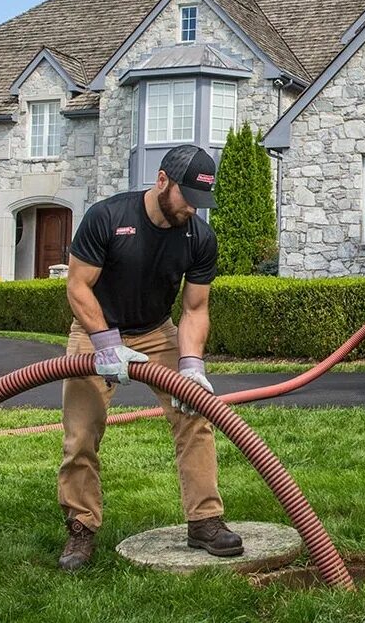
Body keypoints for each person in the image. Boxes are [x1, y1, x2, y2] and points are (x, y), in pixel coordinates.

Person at [57, 144, 242, 571]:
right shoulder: (108, 217)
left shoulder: (199, 237)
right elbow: (78, 287)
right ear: (162, 181)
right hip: (96, 332)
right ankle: (81, 529)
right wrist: (104, 342)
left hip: (158, 332)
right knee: (81, 435)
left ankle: (205, 521)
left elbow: (195, 308)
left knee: (195, 415)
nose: (193, 211)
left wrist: (191, 366)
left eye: (201, 203)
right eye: (187, 199)